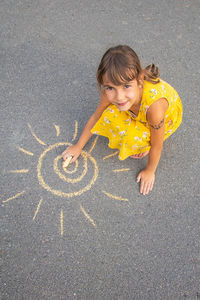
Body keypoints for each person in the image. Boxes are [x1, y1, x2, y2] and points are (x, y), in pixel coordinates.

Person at [62, 45, 182, 195]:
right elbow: (96, 117)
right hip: (137, 111)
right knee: (108, 114)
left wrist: (150, 170)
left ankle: (143, 144)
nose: (119, 97)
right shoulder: (110, 92)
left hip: (163, 119)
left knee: (133, 138)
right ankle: (135, 123)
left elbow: (157, 145)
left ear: (139, 80)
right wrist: (78, 146)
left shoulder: (155, 109)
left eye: (126, 86)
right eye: (110, 88)